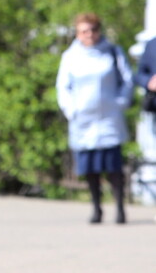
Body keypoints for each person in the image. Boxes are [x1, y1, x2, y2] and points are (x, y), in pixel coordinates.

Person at [56, 12, 133, 224]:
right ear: (77, 34)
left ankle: (119, 208)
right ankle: (96, 208)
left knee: (113, 167)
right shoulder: (70, 57)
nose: (89, 34)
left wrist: (120, 103)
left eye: (93, 30)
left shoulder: (112, 52)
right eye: (84, 31)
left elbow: (127, 80)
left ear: (99, 31)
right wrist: (71, 109)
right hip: (83, 120)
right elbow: (63, 87)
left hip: (109, 118)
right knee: (90, 168)